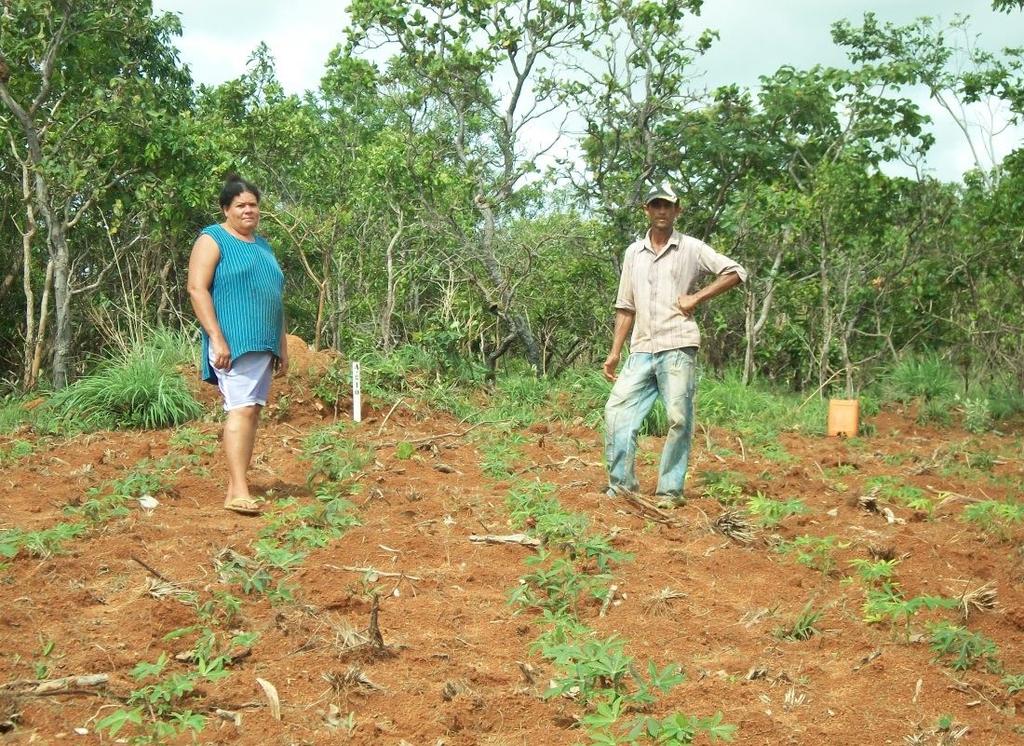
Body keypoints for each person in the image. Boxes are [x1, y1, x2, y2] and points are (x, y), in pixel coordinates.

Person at [602, 179, 746, 507]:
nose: (662, 211)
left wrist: (697, 296)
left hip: (678, 346)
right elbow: (626, 306)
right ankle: (621, 486)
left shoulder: (692, 248)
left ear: (677, 210)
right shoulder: (633, 253)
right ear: (646, 210)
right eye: (656, 205)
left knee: (679, 419)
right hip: (640, 349)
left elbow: (735, 271)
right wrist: (613, 353)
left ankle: (669, 491)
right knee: (616, 413)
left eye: (668, 205)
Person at [187, 175, 288, 515]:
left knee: (251, 412)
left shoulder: (262, 245)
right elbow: (197, 289)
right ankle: (240, 491)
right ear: (226, 209)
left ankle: (235, 489)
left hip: (263, 343)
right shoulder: (212, 239)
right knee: (241, 409)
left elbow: (276, 296)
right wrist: (216, 337)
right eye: (241, 205)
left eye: (253, 205)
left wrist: (282, 345)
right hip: (233, 341)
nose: (249, 210)